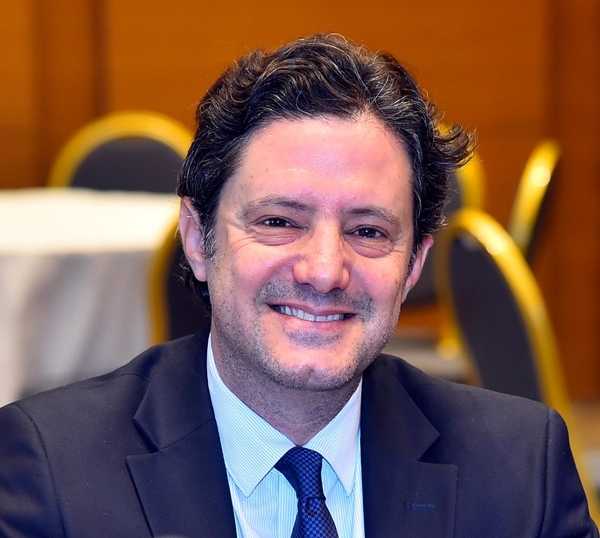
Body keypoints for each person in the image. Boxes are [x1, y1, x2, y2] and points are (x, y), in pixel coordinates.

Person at [0, 34, 597, 538]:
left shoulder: (521, 470)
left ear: (414, 263)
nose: (324, 270)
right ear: (197, 239)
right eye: (279, 222)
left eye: (368, 231)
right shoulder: (54, 472)